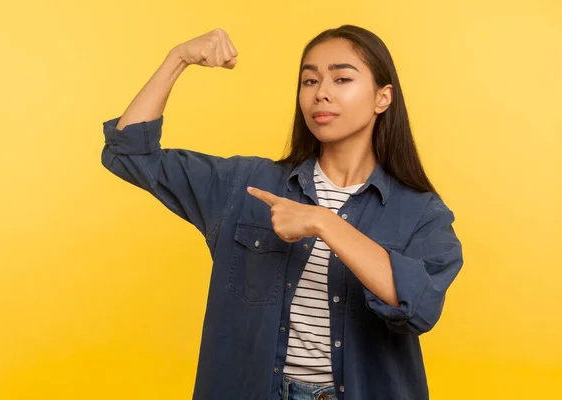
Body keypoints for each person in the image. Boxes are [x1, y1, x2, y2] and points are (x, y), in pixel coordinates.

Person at [100, 25, 464, 400]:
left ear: (382, 98)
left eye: (341, 78)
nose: (321, 93)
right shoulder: (246, 184)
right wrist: (178, 58)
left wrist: (324, 222)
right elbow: (128, 155)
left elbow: (416, 308)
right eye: (309, 81)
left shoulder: (423, 213)